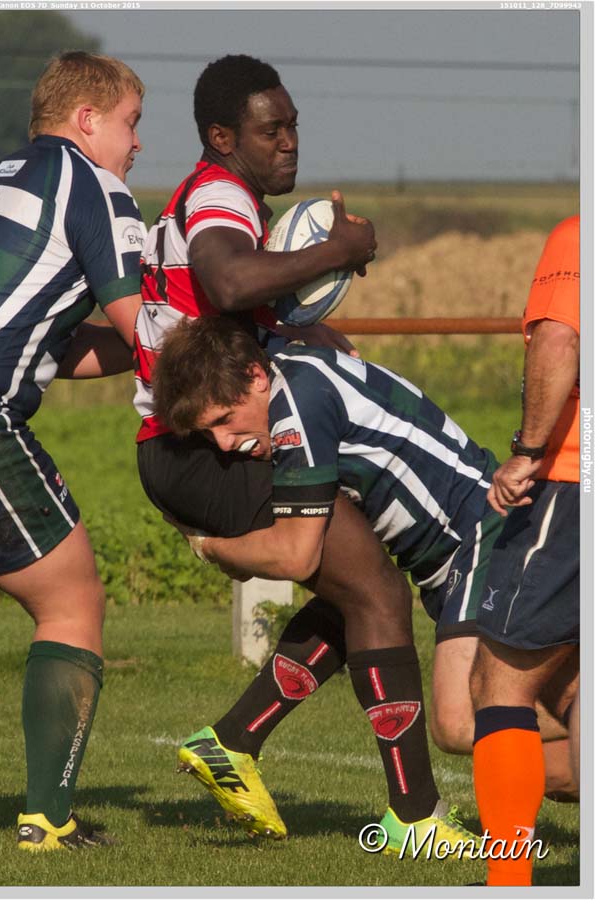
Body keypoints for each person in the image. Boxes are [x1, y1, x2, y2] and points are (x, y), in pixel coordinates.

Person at [133, 54, 478, 852]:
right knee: (377, 594)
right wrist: (338, 250)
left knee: (356, 585)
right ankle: (414, 819)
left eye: (292, 126)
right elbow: (226, 283)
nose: (288, 142)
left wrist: (299, 329)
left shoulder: (211, 196)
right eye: (270, 130)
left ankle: (233, 742)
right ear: (223, 137)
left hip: (186, 445)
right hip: (206, 445)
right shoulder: (219, 195)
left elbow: (220, 308)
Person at [150, 314, 506, 853]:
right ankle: (239, 741)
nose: (223, 443)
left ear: (255, 377)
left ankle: (416, 815)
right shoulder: (292, 379)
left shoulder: (299, 403)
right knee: (356, 599)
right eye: (208, 433)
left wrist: (211, 546)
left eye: (225, 419)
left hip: (486, 542)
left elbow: (296, 556)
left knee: (463, 723)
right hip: (458, 555)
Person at [0, 51, 146, 851]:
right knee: (70, 602)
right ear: (87, 120)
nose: (137, 144)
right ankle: (48, 820)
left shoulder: (2, 176)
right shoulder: (95, 186)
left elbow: (48, 341)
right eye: (130, 123)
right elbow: (141, 330)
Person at [470, 216, 580, 886]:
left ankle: (507, 881)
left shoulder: (578, 234)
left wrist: (528, 451)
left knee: (501, 682)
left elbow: (560, 337)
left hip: (573, 482)